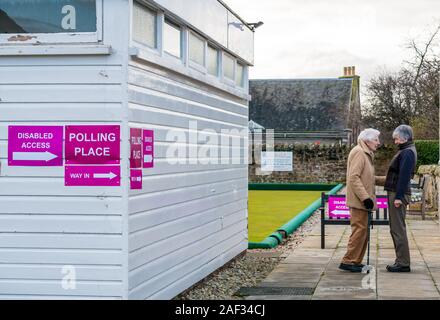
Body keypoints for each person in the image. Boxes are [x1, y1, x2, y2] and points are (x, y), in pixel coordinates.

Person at [339, 128, 381, 272]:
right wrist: (365, 198)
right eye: (376, 140)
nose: (378, 143)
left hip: (363, 201)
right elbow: (354, 177)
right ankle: (349, 261)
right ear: (367, 140)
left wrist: (387, 180)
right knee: (359, 231)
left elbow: (367, 178)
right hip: (359, 202)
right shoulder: (359, 152)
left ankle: (355, 261)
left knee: (363, 232)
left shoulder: (366, 153)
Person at [383, 125, 417, 272]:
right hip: (397, 193)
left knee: (398, 229)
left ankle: (403, 263)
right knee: (396, 229)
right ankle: (400, 260)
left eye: (396, 139)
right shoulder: (406, 150)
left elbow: (403, 177)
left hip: (398, 194)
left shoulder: (407, 152)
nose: (395, 141)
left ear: (405, 138)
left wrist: (398, 197)